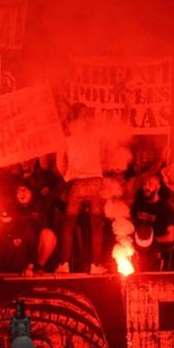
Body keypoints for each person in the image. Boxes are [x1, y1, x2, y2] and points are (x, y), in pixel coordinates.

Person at [55, 104, 108, 274]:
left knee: (69, 224)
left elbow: (59, 161)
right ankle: (95, 265)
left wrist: (66, 176)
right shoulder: (95, 134)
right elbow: (104, 155)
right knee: (96, 225)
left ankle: (64, 264)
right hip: (95, 182)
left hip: (76, 183)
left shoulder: (67, 137)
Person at [0, 186, 39, 276]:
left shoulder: (24, 227)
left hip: (18, 274)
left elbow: (32, 247)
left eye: (8, 213)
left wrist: (30, 268)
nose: (5, 216)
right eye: (3, 214)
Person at [130, 174, 174, 271]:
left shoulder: (166, 208)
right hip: (136, 255)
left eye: (150, 184)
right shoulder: (138, 205)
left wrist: (150, 241)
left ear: (158, 187)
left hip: (154, 258)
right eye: (144, 184)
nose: (146, 187)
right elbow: (130, 226)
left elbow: (170, 237)